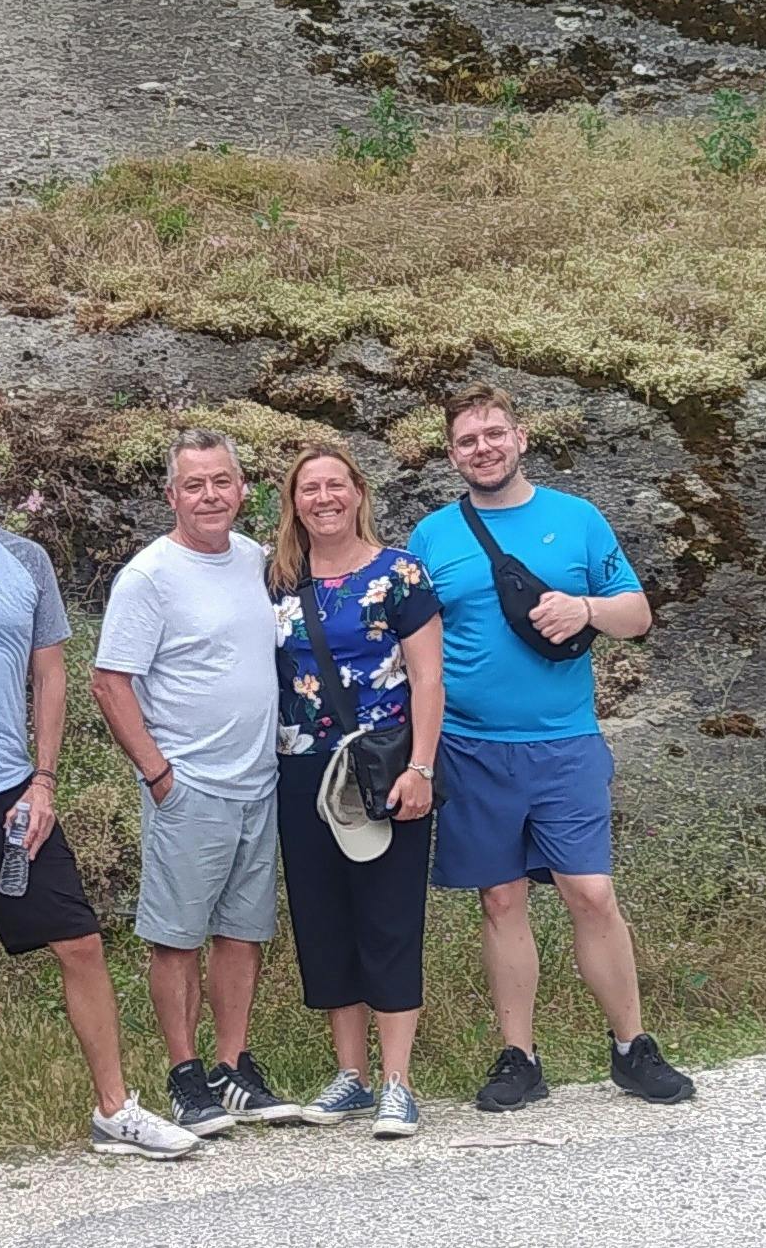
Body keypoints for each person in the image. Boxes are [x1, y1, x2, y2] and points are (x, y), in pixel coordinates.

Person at [0, 404, 200, 1163]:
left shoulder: (27, 561)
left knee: (79, 939)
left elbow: (51, 675)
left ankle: (114, 1108)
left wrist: (44, 779)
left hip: (12, 784)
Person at [409, 383, 695, 1112]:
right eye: (468, 440)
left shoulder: (578, 519)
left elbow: (638, 615)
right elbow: (412, 642)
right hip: (471, 747)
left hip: (565, 742)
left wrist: (586, 607)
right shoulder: (432, 536)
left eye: (494, 434)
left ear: (521, 437)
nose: (483, 448)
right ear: (451, 454)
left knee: (591, 893)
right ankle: (520, 1057)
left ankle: (632, 1047)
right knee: (501, 899)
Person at [89, 428, 300, 1138]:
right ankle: (185, 1077)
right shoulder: (150, 576)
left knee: (242, 932)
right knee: (177, 938)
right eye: (194, 484)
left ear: (243, 489)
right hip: (189, 786)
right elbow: (109, 681)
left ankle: (232, 1066)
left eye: (221, 481)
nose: (210, 496)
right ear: (171, 495)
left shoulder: (259, 563)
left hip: (258, 782)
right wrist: (159, 774)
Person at [270, 443, 446, 1139]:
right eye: (309, 488)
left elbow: (428, 677)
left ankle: (398, 1079)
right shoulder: (278, 579)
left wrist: (421, 769)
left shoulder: (399, 573)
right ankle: (351, 1073)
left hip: (382, 766)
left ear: (358, 492)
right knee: (324, 917)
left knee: (389, 914)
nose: (324, 498)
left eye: (335, 485)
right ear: (294, 502)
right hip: (302, 768)